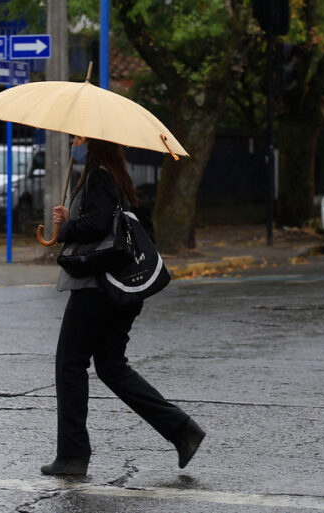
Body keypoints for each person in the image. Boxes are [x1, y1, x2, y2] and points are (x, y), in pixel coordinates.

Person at [41, 136, 205, 476]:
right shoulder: (118, 175)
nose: (75, 142)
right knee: (111, 367)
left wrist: (67, 226)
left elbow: (97, 225)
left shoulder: (99, 175)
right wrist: (71, 215)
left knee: (70, 366)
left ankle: (72, 456)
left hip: (96, 288)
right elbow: (106, 222)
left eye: (80, 138)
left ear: (95, 143)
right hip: (121, 289)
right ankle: (182, 430)